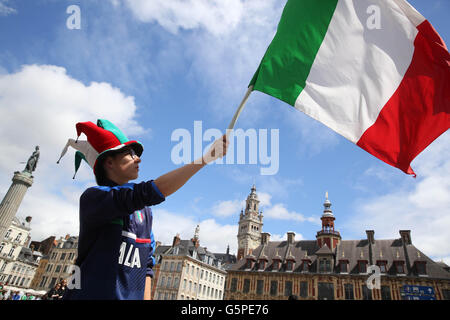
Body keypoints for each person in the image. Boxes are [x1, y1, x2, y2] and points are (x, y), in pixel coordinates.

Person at [60, 119, 228, 300]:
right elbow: (148, 192)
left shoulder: (145, 212)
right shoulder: (94, 198)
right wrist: (205, 158)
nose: (138, 158)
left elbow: (147, 267)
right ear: (109, 162)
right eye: (130, 154)